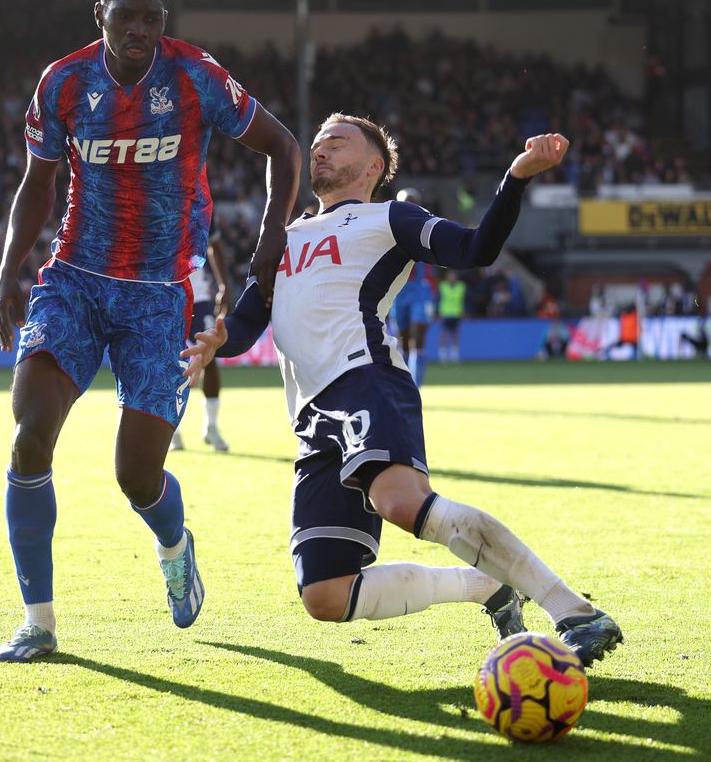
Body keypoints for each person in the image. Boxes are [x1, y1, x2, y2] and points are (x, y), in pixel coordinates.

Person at [183, 115, 622, 665]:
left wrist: (516, 177)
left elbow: (477, 249)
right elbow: (247, 324)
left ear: (374, 166)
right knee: (325, 594)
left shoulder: (391, 217)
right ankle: (486, 586)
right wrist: (216, 338)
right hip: (313, 418)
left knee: (398, 501)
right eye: (316, 143)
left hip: (365, 380)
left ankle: (574, 611)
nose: (319, 150)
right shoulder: (285, 237)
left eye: (336, 142)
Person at [0, 0, 301, 662]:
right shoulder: (64, 82)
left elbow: (283, 146)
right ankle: (39, 622)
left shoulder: (195, 76)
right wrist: (9, 270)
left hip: (160, 296)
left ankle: (174, 544)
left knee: (135, 476)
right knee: (29, 437)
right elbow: (38, 184)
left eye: (151, 19)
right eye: (125, 16)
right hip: (74, 281)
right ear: (99, 15)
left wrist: (271, 235)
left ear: (165, 22)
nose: (138, 30)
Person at [170, 212, 233, 452]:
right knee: (170, 363)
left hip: (199, 297)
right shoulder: (155, 198)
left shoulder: (202, 205)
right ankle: (172, 430)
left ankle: (212, 427)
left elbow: (214, 245)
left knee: (209, 357)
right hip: (166, 295)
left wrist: (224, 285)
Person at [389, 190, 436, 386]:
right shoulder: (389, 229)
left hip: (421, 291)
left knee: (418, 341)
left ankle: (416, 388)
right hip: (399, 292)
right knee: (403, 343)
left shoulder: (429, 226)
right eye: (404, 203)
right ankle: (405, 386)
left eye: (412, 202)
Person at [437, 269, 466, 363]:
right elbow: (439, 299)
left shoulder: (461, 286)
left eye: (453, 276)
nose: (452, 278)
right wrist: (439, 313)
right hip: (445, 313)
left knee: (455, 334)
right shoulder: (442, 286)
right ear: (447, 277)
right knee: (444, 334)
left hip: (457, 313)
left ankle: (454, 355)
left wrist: (463, 312)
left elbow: (463, 300)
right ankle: (443, 355)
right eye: (450, 276)